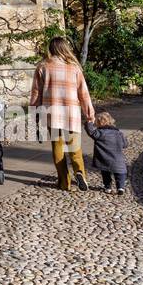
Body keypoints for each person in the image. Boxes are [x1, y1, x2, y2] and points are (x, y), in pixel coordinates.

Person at [29, 37, 96, 191]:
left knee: (57, 148)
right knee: (74, 147)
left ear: (51, 49)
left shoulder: (42, 67)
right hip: (71, 115)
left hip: (52, 115)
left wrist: (35, 113)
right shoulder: (74, 68)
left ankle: (64, 182)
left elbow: (35, 94)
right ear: (65, 48)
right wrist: (90, 116)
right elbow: (83, 94)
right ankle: (80, 173)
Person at [84, 110, 128, 194]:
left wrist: (89, 122)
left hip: (104, 158)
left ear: (98, 123)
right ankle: (121, 187)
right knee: (120, 173)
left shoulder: (99, 133)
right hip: (117, 159)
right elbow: (125, 144)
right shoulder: (119, 133)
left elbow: (91, 132)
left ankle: (108, 187)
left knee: (105, 173)